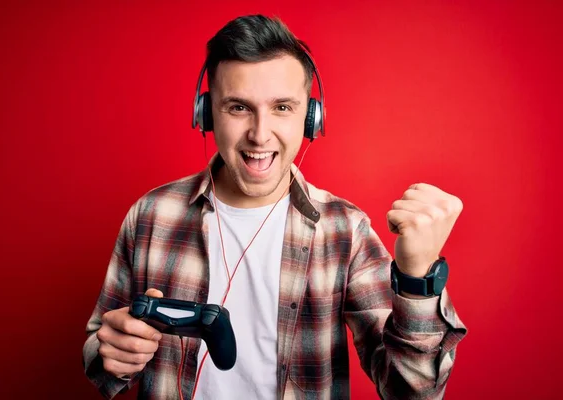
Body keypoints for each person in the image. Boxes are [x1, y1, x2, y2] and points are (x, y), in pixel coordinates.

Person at [82, 14, 467, 400]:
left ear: (311, 119)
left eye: (282, 107)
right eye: (238, 107)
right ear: (206, 113)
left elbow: (412, 391)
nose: (260, 133)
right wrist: (109, 351)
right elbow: (100, 348)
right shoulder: (151, 215)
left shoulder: (344, 230)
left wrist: (418, 279)